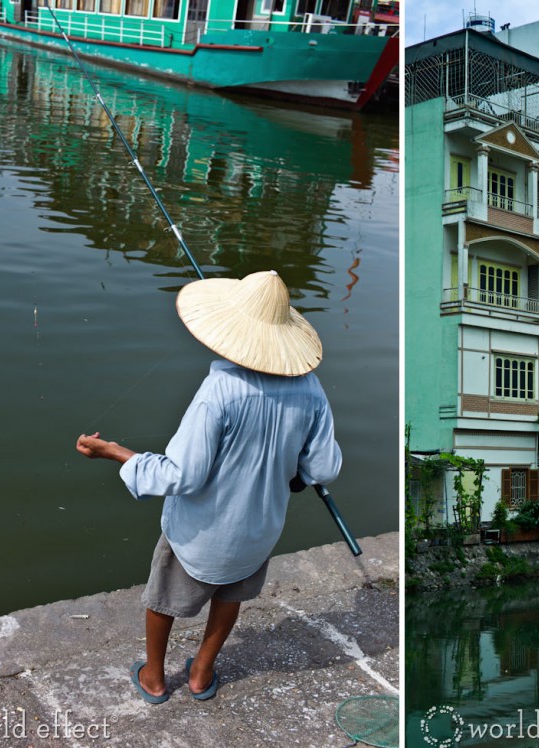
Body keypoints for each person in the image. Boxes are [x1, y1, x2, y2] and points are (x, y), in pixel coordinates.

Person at [76, 271, 341, 704]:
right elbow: (324, 467)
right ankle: (200, 674)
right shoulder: (310, 389)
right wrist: (297, 472)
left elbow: (184, 475)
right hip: (258, 530)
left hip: (201, 532)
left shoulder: (220, 389)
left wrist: (118, 453)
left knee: (162, 598)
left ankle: (155, 679)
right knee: (231, 594)